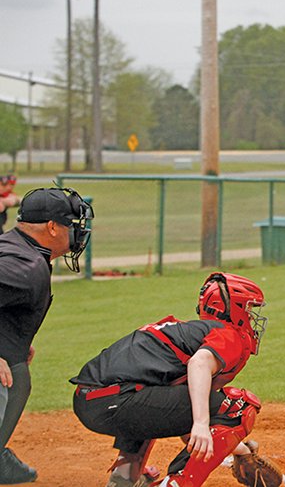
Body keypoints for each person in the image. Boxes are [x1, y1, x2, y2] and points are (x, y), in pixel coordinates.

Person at [70, 272, 269, 487]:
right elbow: (199, 364)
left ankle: (125, 477)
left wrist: (238, 450)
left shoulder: (185, 332)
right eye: (248, 309)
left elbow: (179, 410)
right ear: (233, 309)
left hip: (90, 401)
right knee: (238, 408)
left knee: (154, 390)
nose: (251, 317)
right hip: (117, 400)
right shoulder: (228, 334)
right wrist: (202, 424)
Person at [0, 186, 94, 483]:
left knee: (16, 370)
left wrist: (13, 338)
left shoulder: (18, 248)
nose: (77, 232)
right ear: (52, 227)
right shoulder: (25, 266)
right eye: (70, 225)